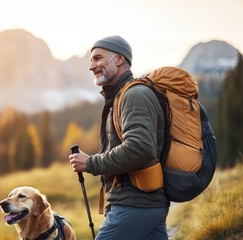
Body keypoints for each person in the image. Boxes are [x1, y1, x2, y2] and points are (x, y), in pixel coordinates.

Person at [69, 36, 170, 239]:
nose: (92, 66)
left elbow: (140, 148)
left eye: (98, 58)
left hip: (134, 205)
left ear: (119, 59)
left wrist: (91, 163)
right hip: (144, 203)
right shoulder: (119, 97)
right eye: (90, 60)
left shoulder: (134, 95)